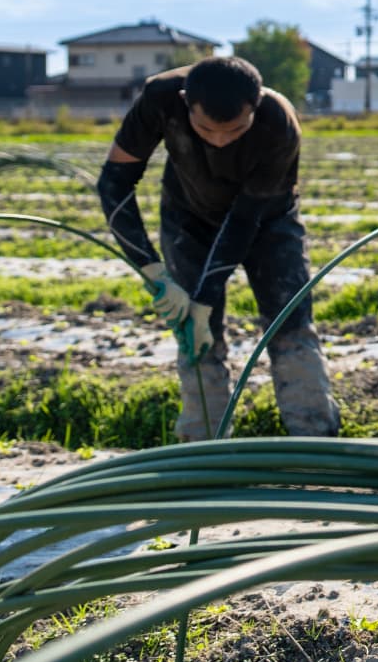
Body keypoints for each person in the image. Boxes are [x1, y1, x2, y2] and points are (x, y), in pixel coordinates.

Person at [95, 55, 341, 441]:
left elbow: (245, 219)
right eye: (206, 129)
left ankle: (314, 438)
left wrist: (205, 295)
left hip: (268, 220)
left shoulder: (279, 122)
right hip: (188, 218)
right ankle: (202, 441)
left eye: (235, 129)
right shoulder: (160, 99)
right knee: (195, 332)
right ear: (184, 102)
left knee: (290, 324)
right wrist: (152, 270)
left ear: (256, 104)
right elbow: (113, 183)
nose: (221, 140)